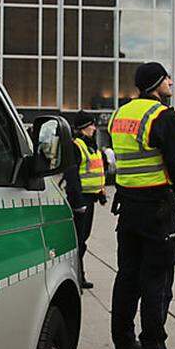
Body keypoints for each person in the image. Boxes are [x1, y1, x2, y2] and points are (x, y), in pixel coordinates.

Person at [108, 62, 175, 349]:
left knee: (127, 275)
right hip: (157, 208)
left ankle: (122, 340)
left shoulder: (119, 114)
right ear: (156, 83)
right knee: (157, 278)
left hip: (127, 207)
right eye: (167, 78)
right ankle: (153, 348)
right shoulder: (161, 116)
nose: (171, 82)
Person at [63, 111, 106, 290]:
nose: (94, 128)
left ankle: (79, 276)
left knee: (83, 239)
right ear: (82, 128)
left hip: (90, 198)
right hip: (80, 201)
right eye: (91, 125)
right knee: (78, 240)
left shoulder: (90, 145)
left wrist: (101, 192)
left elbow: (95, 173)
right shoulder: (76, 146)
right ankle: (76, 277)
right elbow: (72, 176)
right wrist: (78, 202)